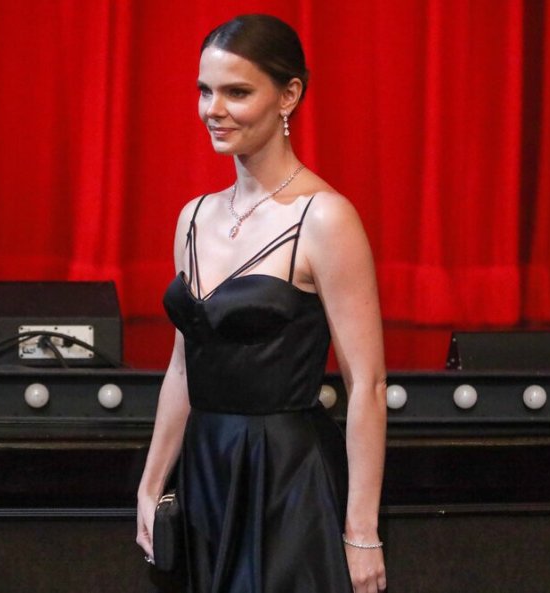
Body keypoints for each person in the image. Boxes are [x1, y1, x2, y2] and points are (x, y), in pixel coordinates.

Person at [136, 14, 387, 593]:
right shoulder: (193, 218)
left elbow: (368, 385)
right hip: (204, 474)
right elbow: (183, 368)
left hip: (286, 482)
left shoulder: (324, 218)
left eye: (237, 92)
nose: (213, 109)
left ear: (288, 95)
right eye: (205, 91)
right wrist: (151, 484)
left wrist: (361, 531)